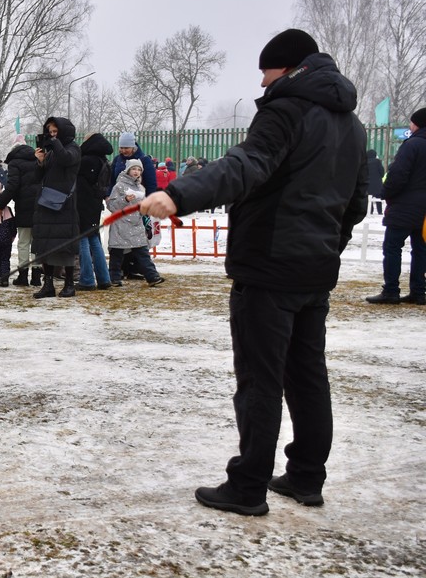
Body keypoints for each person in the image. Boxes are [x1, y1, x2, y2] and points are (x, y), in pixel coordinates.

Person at [139, 28, 367, 516]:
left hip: (269, 267)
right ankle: (306, 476)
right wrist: (326, 248)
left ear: (288, 68)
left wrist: (178, 194)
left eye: (266, 72)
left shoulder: (286, 110)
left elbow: (245, 164)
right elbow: (355, 205)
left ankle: (247, 486)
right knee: (308, 376)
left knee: (260, 380)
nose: (262, 83)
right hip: (314, 271)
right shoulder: (352, 124)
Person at [366, 108, 426, 305]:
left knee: (392, 248)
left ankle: (391, 291)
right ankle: (419, 291)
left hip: (404, 206)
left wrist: (386, 193)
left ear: (417, 124)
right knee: (421, 250)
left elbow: (398, 174)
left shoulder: (412, 145)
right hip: (424, 212)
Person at [31, 117, 81, 299]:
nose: (52, 135)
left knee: (65, 246)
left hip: (63, 205)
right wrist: (40, 162)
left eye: (55, 132)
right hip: (46, 203)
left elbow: (67, 159)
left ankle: (69, 284)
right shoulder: (52, 151)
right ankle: (48, 284)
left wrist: (55, 143)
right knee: (45, 245)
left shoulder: (73, 148)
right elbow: (38, 177)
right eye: (50, 132)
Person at [0, 137, 43, 286]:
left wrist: (0, 204)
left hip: (24, 207)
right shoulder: (37, 160)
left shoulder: (14, 163)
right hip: (40, 206)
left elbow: (12, 186)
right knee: (37, 242)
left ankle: (23, 276)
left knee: (24, 242)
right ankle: (36, 277)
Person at [107, 160, 163, 287]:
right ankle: (114, 278)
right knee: (117, 252)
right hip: (121, 223)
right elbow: (112, 205)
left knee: (143, 252)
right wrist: (125, 199)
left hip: (136, 224)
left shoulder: (140, 188)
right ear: (128, 170)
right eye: (133, 169)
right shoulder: (119, 186)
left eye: (139, 169)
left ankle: (152, 276)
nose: (136, 172)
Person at [75, 132, 113, 291]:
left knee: (82, 239)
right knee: (94, 240)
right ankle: (104, 278)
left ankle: (87, 279)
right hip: (95, 204)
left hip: (82, 204)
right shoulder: (103, 160)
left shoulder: (85, 160)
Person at [366, 149, 385, 216]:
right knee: (378, 197)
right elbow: (382, 172)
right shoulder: (377, 162)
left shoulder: (364, 162)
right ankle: (379, 211)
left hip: (368, 184)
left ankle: (370, 210)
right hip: (377, 184)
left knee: (368, 197)